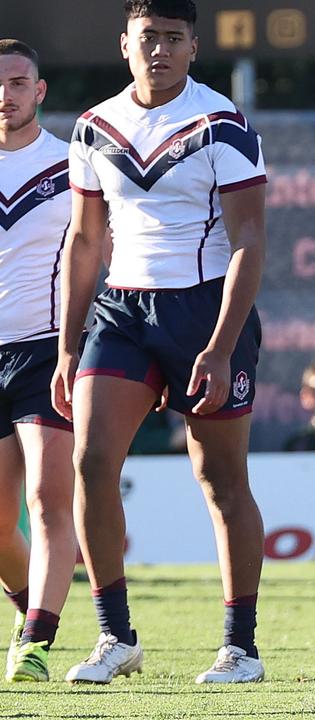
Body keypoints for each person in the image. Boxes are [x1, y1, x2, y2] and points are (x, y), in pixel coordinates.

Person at [53, 0, 268, 684]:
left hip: (206, 312)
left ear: (194, 47)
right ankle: (116, 638)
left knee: (221, 480)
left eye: (174, 38)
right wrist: (66, 345)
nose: (160, 50)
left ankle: (241, 647)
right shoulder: (93, 126)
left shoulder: (222, 125)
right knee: (89, 462)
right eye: (149, 38)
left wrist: (222, 343)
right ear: (125, 44)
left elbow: (251, 242)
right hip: (121, 311)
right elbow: (86, 241)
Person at [0, 39, 77, 683]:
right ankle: (31, 611)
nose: (7, 95)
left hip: (46, 350)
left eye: (19, 83)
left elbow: (103, 251)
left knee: (50, 499)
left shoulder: (72, 164)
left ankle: (36, 641)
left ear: (40, 90)